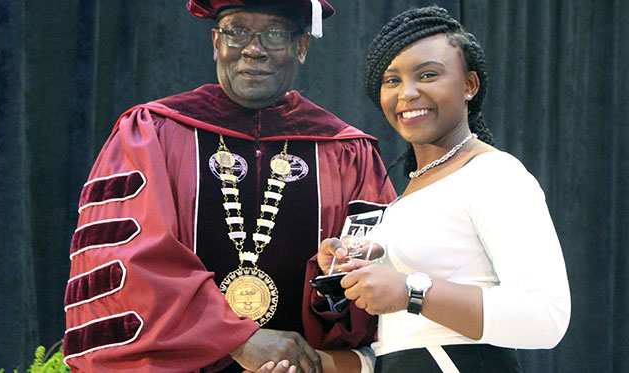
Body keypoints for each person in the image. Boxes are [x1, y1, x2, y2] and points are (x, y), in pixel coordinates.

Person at [62, 1, 396, 372]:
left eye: (275, 34)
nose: (254, 49)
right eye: (237, 31)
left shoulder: (346, 151)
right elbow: (129, 261)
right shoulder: (151, 134)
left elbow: (379, 279)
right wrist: (237, 339)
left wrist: (334, 288)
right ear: (215, 41)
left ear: (301, 48)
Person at [310, 6, 571, 373]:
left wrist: (411, 291)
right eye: (392, 80)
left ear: (469, 85)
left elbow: (547, 318)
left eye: (428, 75)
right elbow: (409, 343)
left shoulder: (496, 174)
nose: (408, 93)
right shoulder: (409, 193)